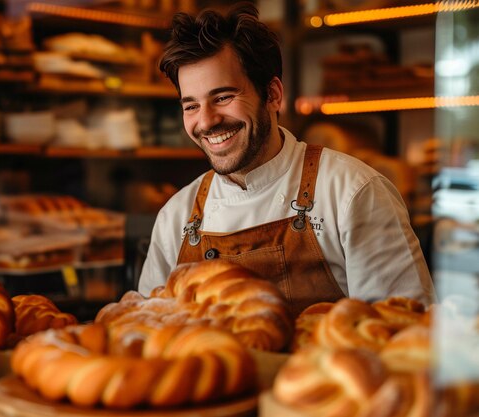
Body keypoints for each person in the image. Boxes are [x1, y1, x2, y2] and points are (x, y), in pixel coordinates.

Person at [138, 3, 435, 315]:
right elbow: (146, 329)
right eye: (191, 106)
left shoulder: (353, 192)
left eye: (223, 97)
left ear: (273, 95)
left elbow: (404, 328)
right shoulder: (177, 217)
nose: (207, 121)